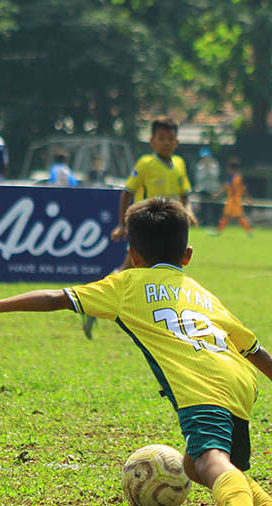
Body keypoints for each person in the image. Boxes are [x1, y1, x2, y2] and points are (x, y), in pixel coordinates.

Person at [0, 197, 272, 506]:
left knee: (208, 460)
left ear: (133, 255)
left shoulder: (125, 284)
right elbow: (253, 347)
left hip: (201, 386)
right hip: (240, 381)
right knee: (194, 466)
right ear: (187, 255)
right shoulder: (201, 293)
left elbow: (54, 297)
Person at [87, 117, 196, 339]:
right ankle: (91, 304)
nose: (166, 142)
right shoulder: (145, 164)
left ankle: (164, 321)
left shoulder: (180, 164)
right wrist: (122, 224)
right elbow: (127, 193)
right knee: (127, 273)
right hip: (146, 229)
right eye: (161, 138)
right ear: (152, 141)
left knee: (168, 275)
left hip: (170, 231)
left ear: (177, 141)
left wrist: (189, 212)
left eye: (170, 138)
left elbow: (185, 195)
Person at [214, 157, 253, 236]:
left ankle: (250, 232)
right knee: (229, 216)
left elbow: (226, 187)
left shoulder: (232, 176)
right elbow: (243, 188)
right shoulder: (239, 176)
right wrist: (248, 197)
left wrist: (218, 193)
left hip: (233, 200)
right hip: (237, 199)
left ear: (231, 168)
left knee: (237, 216)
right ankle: (218, 231)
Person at [194, 147, 222, 227]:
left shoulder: (214, 164)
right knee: (203, 206)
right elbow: (199, 178)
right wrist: (205, 171)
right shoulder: (200, 165)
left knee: (215, 206)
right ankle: (204, 223)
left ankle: (216, 222)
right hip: (203, 189)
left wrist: (209, 170)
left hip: (213, 189)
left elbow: (215, 176)